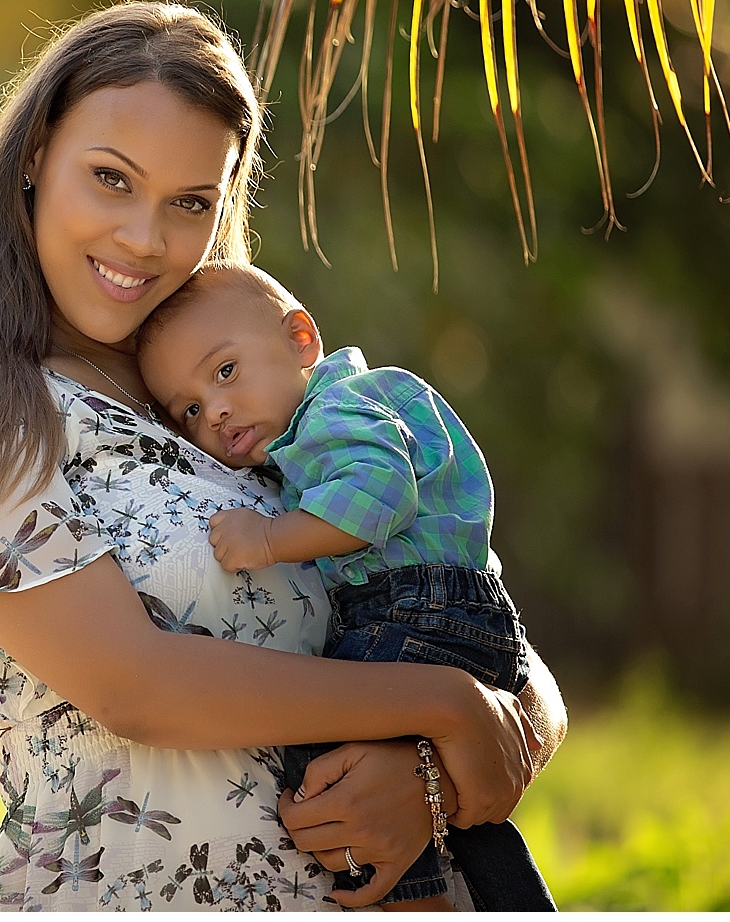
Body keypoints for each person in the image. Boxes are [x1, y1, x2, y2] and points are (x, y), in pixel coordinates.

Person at [0, 1, 565, 911]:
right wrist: (439, 708)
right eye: (111, 179)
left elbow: (495, 640)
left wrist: (430, 772)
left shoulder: (229, 400)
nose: (144, 239)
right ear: (35, 156)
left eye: (190, 202)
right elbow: (134, 687)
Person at [134, 261, 554, 910]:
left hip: (418, 607)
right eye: (188, 408)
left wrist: (268, 538)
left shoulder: (335, 408)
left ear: (300, 338)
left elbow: (381, 494)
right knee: (458, 809)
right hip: (440, 609)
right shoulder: (317, 424)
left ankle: (403, 898)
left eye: (224, 371)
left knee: (329, 758)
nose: (212, 409)